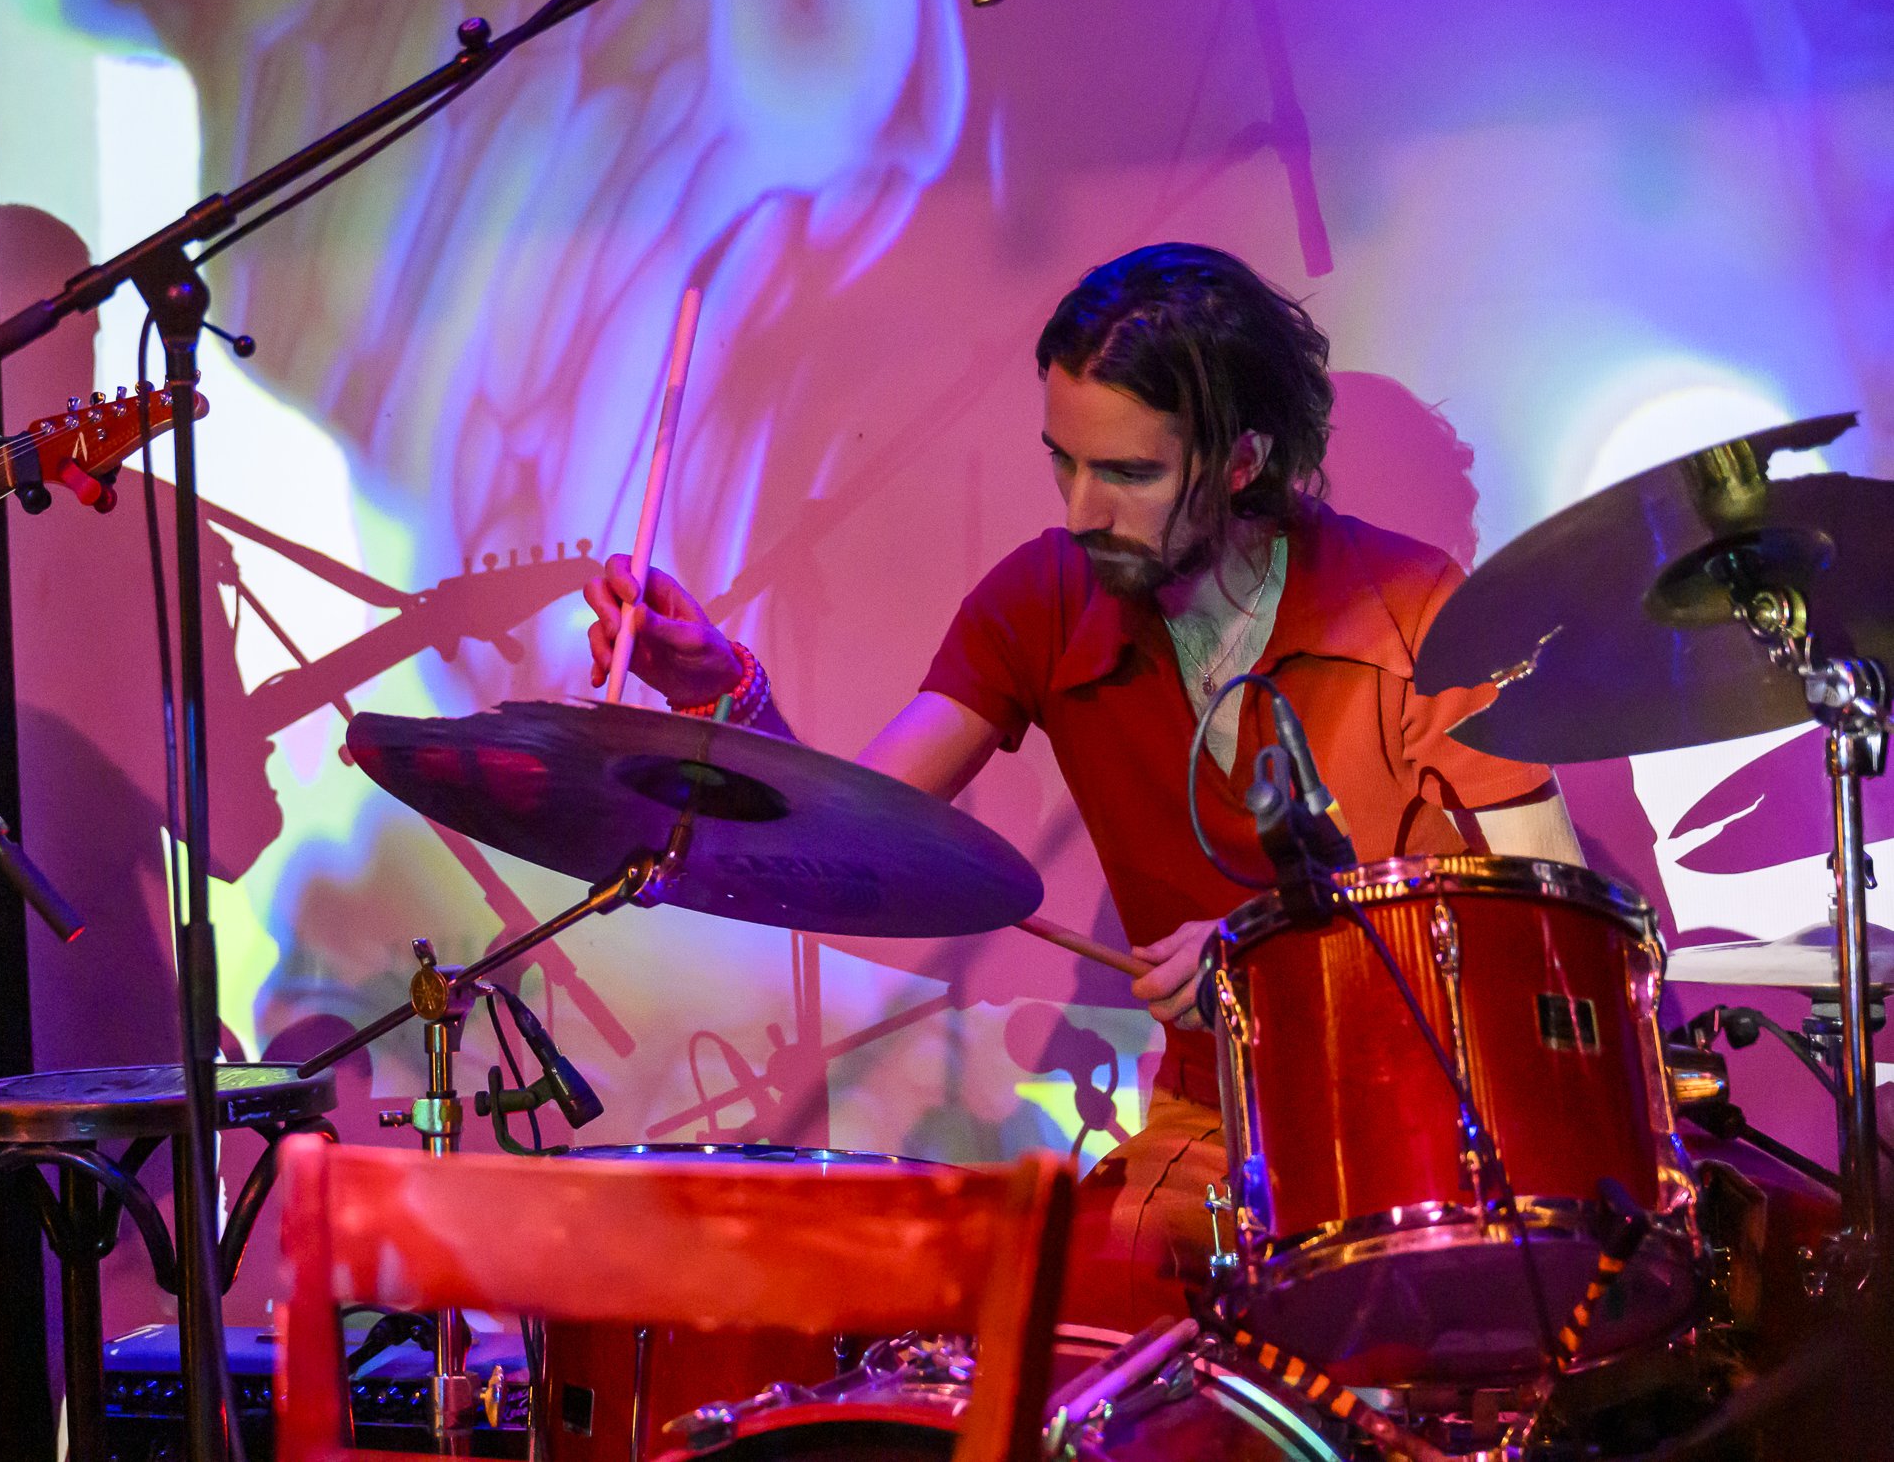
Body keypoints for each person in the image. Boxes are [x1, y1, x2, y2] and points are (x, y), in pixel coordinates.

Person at [583, 242, 1581, 1325]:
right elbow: (847, 830)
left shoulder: (1414, 605)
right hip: (1225, 1124)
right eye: (1064, 462)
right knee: (1063, 1328)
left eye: (1127, 474)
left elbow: (1554, 937)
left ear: (1242, 460)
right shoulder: (1044, 598)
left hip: (1441, 1115)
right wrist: (721, 690)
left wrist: (1278, 956)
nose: (1080, 510)